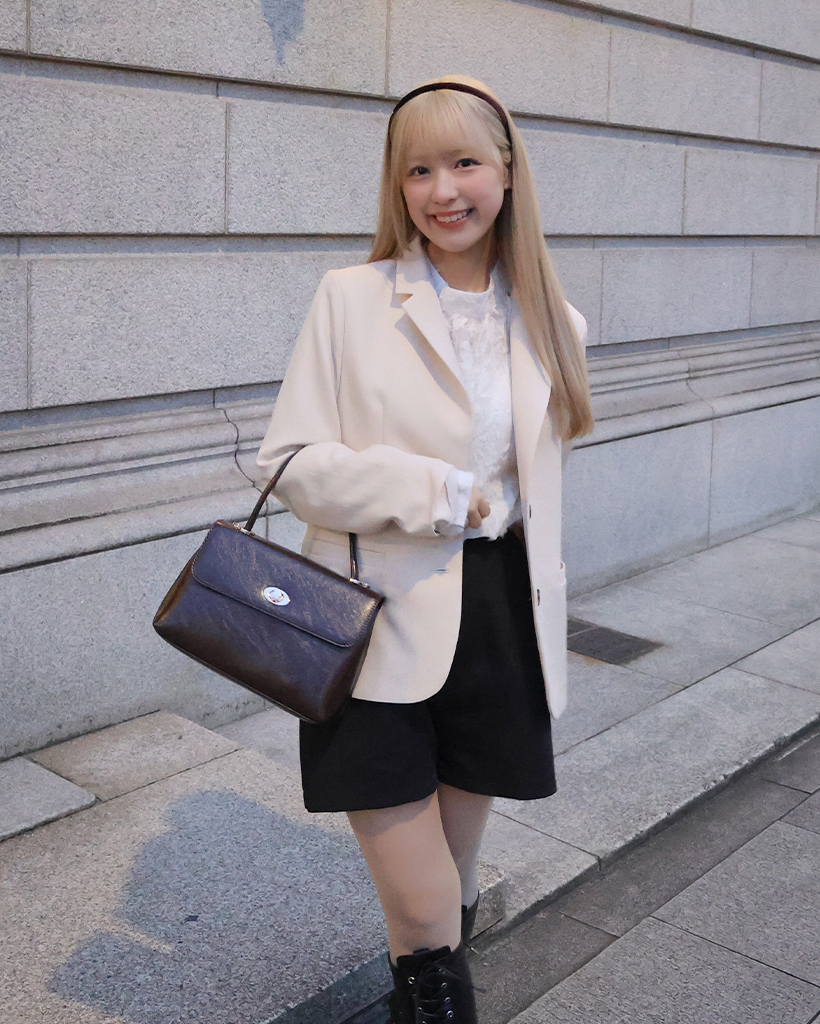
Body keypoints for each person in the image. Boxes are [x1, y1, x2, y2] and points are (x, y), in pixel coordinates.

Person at [256, 75, 593, 1024]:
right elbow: (288, 463)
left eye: (464, 163)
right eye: (418, 170)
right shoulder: (353, 298)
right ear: (396, 185)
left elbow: (539, 493)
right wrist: (436, 494)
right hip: (374, 620)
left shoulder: (556, 323)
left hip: (501, 624)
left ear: (509, 172)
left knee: (454, 878)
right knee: (423, 909)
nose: (443, 190)